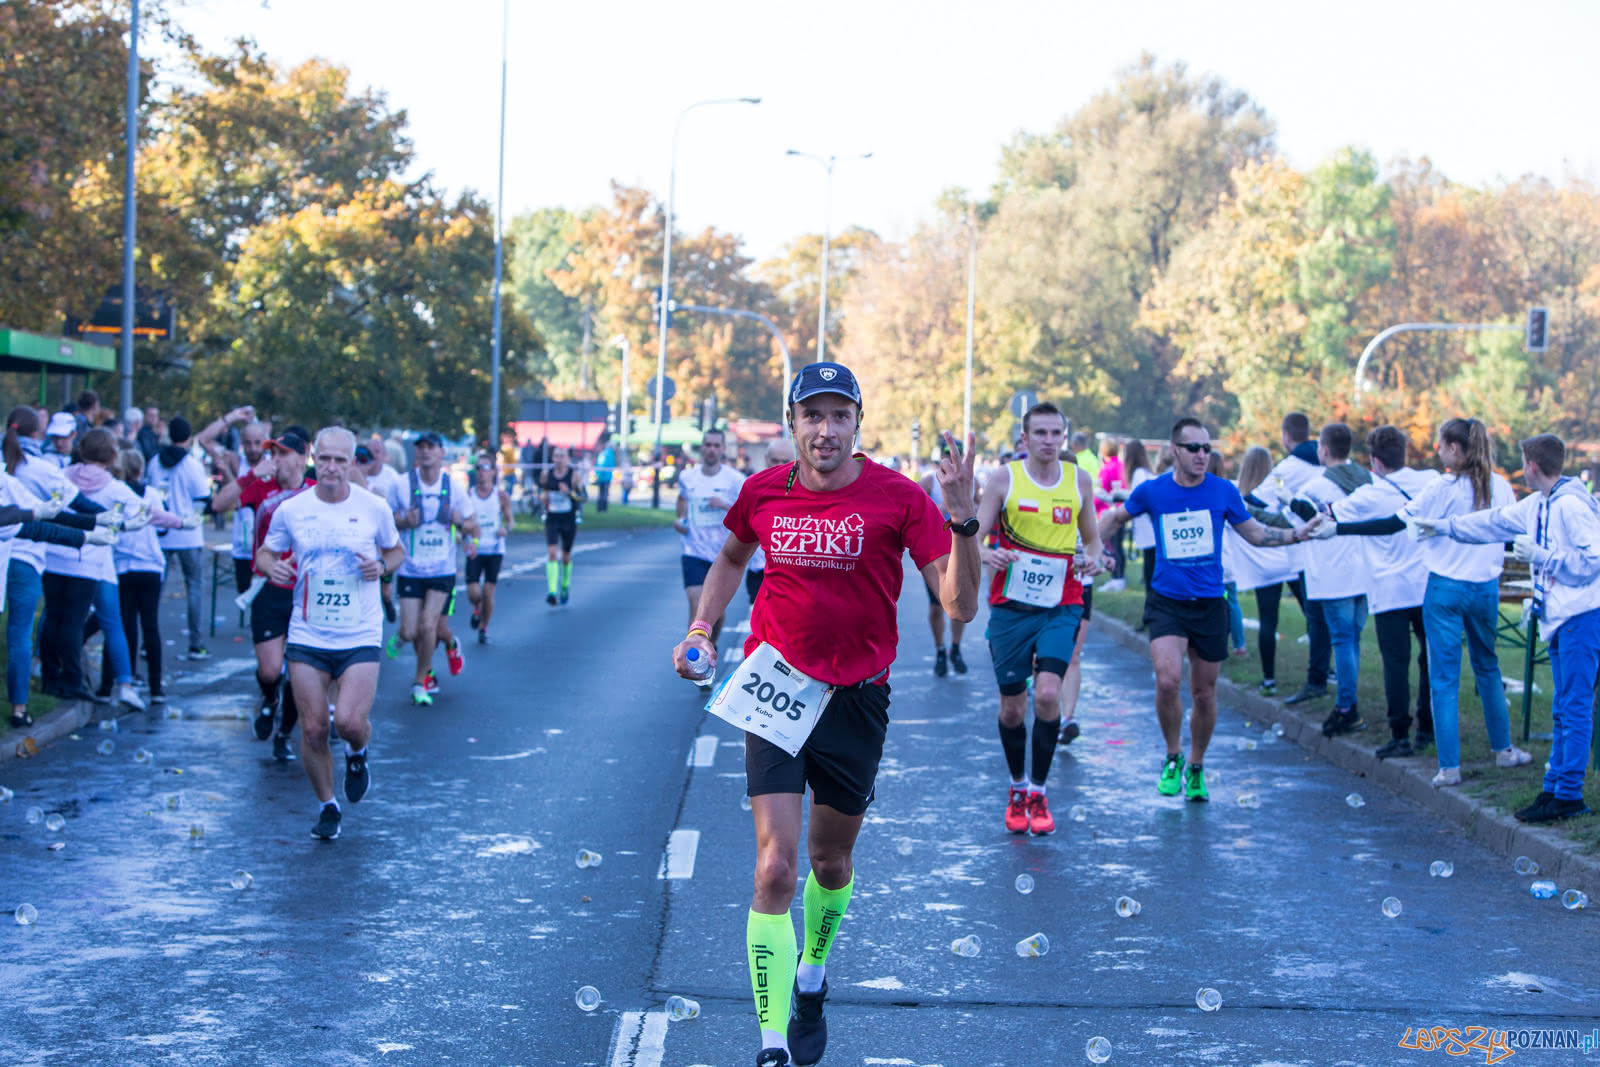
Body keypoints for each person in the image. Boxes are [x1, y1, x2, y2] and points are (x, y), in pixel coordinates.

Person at [671, 362, 979, 1067]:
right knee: (776, 867)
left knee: (828, 860)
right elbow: (727, 558)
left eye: (840, 415)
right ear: (793, 423)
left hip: (858, 699)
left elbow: (959, 606)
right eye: (813, 415)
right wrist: (702, 628)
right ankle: (773, 1039)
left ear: (857, 423)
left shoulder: (898, 498)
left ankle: (812, 970)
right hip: (776, 686)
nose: (826, 429)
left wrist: (962, 519)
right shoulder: (763, 492)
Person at [1099, 418, 1321, 801]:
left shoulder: (1223, 491)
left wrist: (1295, 535)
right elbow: (1114, 518)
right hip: (1167, 602)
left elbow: (1254, 532)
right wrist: (1091, 549)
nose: (1203, 455)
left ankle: (1197, 763)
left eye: (1207, 448)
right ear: (1174, 451)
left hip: (1209, 603)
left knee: (1204, 693)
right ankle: (1173, 756)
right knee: (1167, 681)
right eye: (1194, 448)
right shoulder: (1153, 491)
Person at [1330, 418, 1530, 786]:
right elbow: (1512, 532)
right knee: (1488, 669)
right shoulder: (1501, 485)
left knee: (1443, 678)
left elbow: (1392, 524)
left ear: (1455, 448)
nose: (1436, 451)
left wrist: (1337, 528)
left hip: (1445, 590)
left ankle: (1449, 767)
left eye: (1440, 445)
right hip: (1485, 589)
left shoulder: (1443, 487)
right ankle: (1504, 750)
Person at [1413, 434, 1598, 820]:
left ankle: (1568, 795)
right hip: (1560, 618)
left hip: (1583, 617)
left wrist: (1543, 557)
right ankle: (1555, 788)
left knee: (1575, 705)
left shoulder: (1571, 506)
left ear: (1531, 465)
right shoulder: (1538, 504)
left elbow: (1593, 560)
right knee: (1563, 709)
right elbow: (1491, 523)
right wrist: (1444, 527)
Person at [259, 427, 404, 841]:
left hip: (359, 632)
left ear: (352, 463)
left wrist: (382, 565)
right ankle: (327, 805)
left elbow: (396, 551)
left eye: (341, 460)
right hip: (308, 634)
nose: (332, 467)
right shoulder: (293, 509)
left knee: (351, 723)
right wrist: (273, 567)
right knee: (314, 728)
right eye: (325, 458)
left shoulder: (374, 508)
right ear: (313, 459)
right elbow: (266, 553)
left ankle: (357, 754)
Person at [976, 402, 1103, 834]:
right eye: (1041, 433)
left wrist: (1095, 561)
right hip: (1011, 608)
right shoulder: (1004, 479)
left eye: (1056, 433)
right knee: (1013, 708)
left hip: (1062, 604)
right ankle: (1016, 785)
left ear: (1064, 437)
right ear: (1025, 438)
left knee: (1047, 693)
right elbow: (970, 538)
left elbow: (1094, 542)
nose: (1049, 441)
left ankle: (1039, 792)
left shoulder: (1078, 480)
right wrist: (986, 552)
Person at [1323, 427, 1438, 759]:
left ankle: (1399, 734)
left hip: (1389, 591)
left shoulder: (1367, 497)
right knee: (1428, 659)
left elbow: (1327, 515)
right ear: (1404, 452)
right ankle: (1427, 727)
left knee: (1396, 663)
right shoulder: (1429, 479)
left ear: (1374, 461)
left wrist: (1294, 500)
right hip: (1426, 583)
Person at [42, 429, 156, 708]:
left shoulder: (63, 474)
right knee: (100, 622)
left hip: (55, 554)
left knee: (53, 617)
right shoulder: (115, 487)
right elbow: (143, 511)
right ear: (111, 455)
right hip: (91, 561)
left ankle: (47, 673)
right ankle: (112, 682)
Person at [386, 431, 475, 706]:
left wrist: (460, 522)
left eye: (430, 447)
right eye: (421, 447)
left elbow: (473, 525)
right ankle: (410, 645)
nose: (425, 452)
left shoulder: (453, 487)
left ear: (441, 454)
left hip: (442, 570)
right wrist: (403, 522)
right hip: (411, 569)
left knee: (429, 626)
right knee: (409, 631)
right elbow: (385, 520)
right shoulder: (401, 485)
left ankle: (420, 681)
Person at [1296, 422, 1374, 737]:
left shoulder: (1315, 486)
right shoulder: (1369, 480)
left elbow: (1298, 522)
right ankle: (1348, 700)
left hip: (1333, 573)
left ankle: (1346, 707)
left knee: (1342, 640)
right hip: (1364, 571)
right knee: (1352, 639)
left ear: (1324, 450)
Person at [1228, 446, 1306, 697]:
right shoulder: (1278, 494)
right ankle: (1323, 670)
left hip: (1263, 569)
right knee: (1312, 616)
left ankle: (1269, 679)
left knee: (1267, 621)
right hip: (1289, 562)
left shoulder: (1240, 499)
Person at [111, 446, 182, 707]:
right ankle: (156, 687)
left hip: (123, 564)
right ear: (141, 469)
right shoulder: (151, 494)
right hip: (151, 565)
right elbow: (163, 527)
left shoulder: (115, 493)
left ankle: (127, 678)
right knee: (150, 625)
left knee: (126, 624)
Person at [1271, 412, 1330, 706]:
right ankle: (1327, 672)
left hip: (1302, 549)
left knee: (1316, 616)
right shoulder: (1331, 468)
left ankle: (1319, 678)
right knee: (1330, 620)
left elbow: (1261, 498)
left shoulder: (1288, 467)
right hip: (1334, 552)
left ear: (1286, 434)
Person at [144, 415, 213, 659]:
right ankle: (196, 643)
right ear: (188, 435)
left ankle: (147, 641)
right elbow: (203, 498)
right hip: (188, 535)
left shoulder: (154, 462)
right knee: (194, 586)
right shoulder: (192, 465)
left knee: (155, 590)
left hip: (161, 533)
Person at [675, 428, 745, 644]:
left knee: (716, 611)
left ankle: (710, 645)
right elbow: (682, 500)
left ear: (723, 449)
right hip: (693, 550)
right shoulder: (687, 477)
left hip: (722, 554)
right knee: (697, 603)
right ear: (702, 448)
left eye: (716, 445)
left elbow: (745, 512)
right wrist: (680, 520)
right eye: (708, 445)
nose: (712, 450)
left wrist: (723, 505)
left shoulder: (735, 480)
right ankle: (693, 653)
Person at [198, 407, 269, 595]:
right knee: (245, 597)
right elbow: (203, 440)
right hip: (243, 547)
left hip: (268, 548)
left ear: (265, 442)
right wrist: (232, 417)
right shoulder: (236, 461)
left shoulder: (273, 463)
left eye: (257, 443)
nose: (253, 448)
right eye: (248, 443)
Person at [920, 440, 969, 677]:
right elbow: (915, 513)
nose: (951, 459)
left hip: (962, 550)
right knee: (937, 605)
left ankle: (956, 648)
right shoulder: (929, 481)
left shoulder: (970, 481)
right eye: (947, 455)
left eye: (955, 455)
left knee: (960, 602)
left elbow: (977, 509)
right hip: (936, 553)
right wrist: (941, 509)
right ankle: (940, 649)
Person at [743, 438, 796, 605]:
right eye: (775, 461)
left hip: (791, 576)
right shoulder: (753, 489)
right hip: (759, 571)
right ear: (766, 459)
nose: (780, 465)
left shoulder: (808, 491)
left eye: (785, 461)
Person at [466, 455, 512, 642]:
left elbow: (510, 520)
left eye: (486, 467)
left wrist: (505, 529)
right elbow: (463, 519)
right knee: (474, 593)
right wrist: (465, 531)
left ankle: (484, 627)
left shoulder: (500, 496)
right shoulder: (469, 494)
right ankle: (477, 608)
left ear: (493, 471)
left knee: (488, 592)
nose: (482, 472)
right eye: (479, 468)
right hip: (475, 548)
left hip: (494, 549)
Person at [356, 440, 403, 623]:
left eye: (377, 452)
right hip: (362, 536)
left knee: (385, 586)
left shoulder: (392, 478)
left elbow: (395, 507)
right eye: (369, 453)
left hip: (383, 537)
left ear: (384, 455)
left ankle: (387, 599)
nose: (373, 457)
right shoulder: (351, 475)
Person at [540, 446, 583, 606]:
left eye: (562, 456)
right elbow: (542, 491)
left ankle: (565, 585)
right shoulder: (546, 475)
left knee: (565, 556)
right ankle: (552, 591)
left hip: (568, 519)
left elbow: (583, 497)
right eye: (556, 456)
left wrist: (570, 493)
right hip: (552, 518)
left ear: (567, 459)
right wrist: (542, 497)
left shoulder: (574, 476)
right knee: (552, 552)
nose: (558, 459)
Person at [594, 435, 616, 512]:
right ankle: (602, 509)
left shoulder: (604, 454)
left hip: (603, 477)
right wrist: (599, 475)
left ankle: (601, 508)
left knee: (602, 494)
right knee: (604, 494)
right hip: (605, 477)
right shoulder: (608, 454)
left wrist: (598, 475)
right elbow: (602, 465)